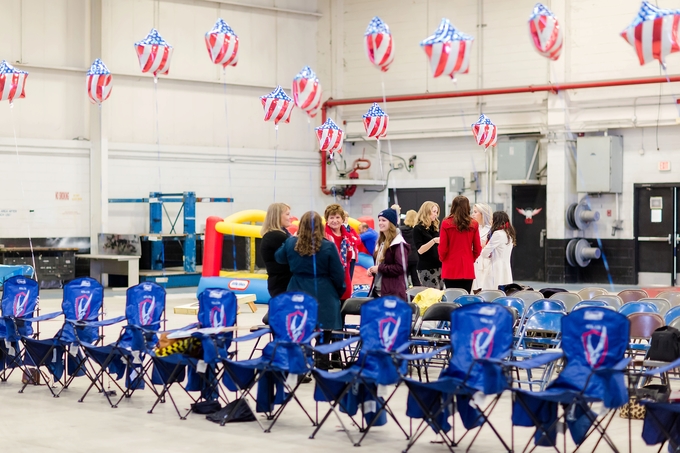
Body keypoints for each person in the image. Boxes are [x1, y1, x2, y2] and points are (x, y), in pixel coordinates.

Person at [275, 211, 346, 369]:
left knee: (299, 334)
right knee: (323, 338)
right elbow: (338, 274)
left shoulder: (291, 243)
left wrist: (289, 238)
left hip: (297, 290)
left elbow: (279, 258)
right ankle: (322, 372)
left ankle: (300, 369)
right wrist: (337, 293)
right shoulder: (328, 246)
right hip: (324, 293)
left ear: (301, 226)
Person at [439, 196, 482, 293]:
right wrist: (471, 259)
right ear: (468, 207)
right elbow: (477, 248)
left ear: (453, 206)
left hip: (450, 267)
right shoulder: (473, 224)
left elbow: (442, 247)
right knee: (465, 299)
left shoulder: (446, 223)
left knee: (452, 299)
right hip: (467, 268)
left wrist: (443, 259)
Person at [367, 208, 409, 301]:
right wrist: (373, 270)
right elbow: (381, 264)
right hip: (379, 291)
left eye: (384, 220)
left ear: (391, 223)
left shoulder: (398, 243)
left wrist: (379, 268)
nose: (380, 223)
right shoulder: (381, 242)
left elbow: (400, 268)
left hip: (392, 293)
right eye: (379, 220)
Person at [259, 202, 293, 299]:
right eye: (287, 214)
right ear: (278, 216)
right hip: (282, 283)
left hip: (280, 282)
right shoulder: (276, 236)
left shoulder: (276, 234)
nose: (290, 217)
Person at [324, 204, 353, 301]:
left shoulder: (347, 237)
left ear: (342, 219)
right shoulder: (323, 236)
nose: (335, 220)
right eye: (331, 217)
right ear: (327, 220)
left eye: (337, 217)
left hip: (345, 280)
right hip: (329, 282)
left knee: (343, 314)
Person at [480, 211, 516, 290]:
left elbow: (485, 253)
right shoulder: (509, 234)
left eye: (492, 219)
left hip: (495, 269)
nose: (490, 221)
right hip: (506, 269)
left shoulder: (498, 234)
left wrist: (484, 248)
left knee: (491, 294)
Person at [413, 201, 443, 289]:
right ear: (427, 212)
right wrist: (433, 241)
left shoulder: (434, 227)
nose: (436, 214)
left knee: (440, 294)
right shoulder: (418, 229)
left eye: (437, 212)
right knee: (432, 295)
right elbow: (420, 250)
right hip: (426, 268)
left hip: (439, 265)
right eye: (434, 212)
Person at [471, 203, 493, 292]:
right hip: (474, 263)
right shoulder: (473, 228)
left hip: (485, 264)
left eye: (475, 212)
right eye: (473, 212)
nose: (473, 214)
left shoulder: (490, 230)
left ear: (483, 214)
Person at [399, 210, 421, 287]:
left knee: (403, 281)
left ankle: (404, 297)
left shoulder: (400, 230)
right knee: (416, 280)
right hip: (415, 258)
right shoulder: (418, 230)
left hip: (404, 257)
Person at [343, 211, 360, 281]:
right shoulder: (340, 228)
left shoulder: (351, 229)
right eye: (344, 217)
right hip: (344, 255)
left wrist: (353, 240)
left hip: (353, 255)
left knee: (351, 275)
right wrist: (352, 239)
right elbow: (345, 239)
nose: (346, 218)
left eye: (347, 217)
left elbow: (359, 240)